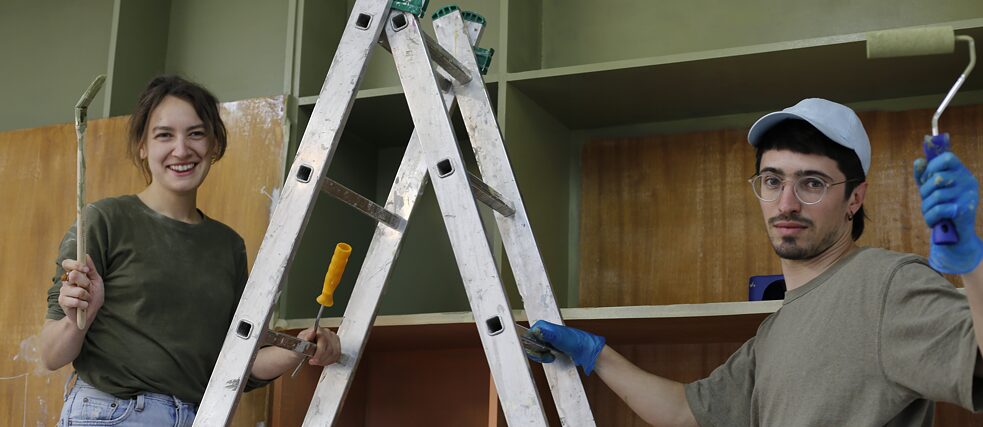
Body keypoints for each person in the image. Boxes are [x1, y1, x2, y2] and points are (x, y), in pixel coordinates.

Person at [527, 98, 983, 425]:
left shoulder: (886, 284)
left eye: (812, 183)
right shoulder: (774, 333)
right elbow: (686, 412)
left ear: (854, 198)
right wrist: (596, 355)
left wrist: (972, 261)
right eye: (772, 180)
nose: (786, 203)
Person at [38, 75, 341, 426]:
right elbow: (51, 355)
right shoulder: (103, 220)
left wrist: (302, 347)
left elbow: (239, 362)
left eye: (196, 134)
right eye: (164, 135)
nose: (181, 150)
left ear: (214, 144)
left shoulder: (228, 245)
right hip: (113, 415)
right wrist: (80, 319)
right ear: (142, 146)